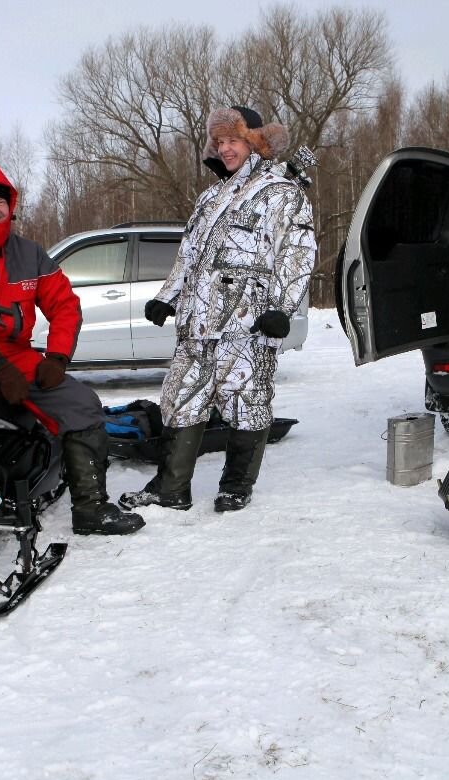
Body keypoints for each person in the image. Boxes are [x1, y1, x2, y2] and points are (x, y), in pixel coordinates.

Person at [0, 161, 144, 536]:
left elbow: (64, 304)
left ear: (11, 206)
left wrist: (56, 356)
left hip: (12, 352)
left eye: (0, 203)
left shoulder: (30, 253)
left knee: (81, 404)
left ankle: (91, 508)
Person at [119, 106, 316, 513]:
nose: (226, 149)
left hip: (248, 323)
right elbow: (189, 254)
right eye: (220, 141)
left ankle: (236, 486)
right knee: (180, 398)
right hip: (197, 323)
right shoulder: (209, 198)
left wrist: (281, 307)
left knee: (246, 402)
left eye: (234, 140)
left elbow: (297, 253)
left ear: (254, 142)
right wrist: (168, 295)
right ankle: (171, 488)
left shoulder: (281, 193)